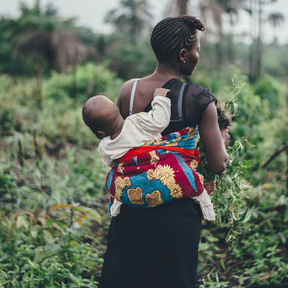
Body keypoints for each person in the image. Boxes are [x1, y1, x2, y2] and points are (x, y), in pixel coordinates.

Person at [98, 15, 229, 288]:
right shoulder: (199, 99)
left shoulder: (128, 91)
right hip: (175, 217)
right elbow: (217, 165)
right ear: (183, 54)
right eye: (197, 50)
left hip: (131, 207)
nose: (197, 56)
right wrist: (223, 143)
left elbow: (123, 142)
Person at [82, 88, 215, 220]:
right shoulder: (136, 121)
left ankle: (116, 205)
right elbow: (160, 121)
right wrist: (159, 98)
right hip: (156, 169)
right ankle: (206, 206)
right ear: (118, 111)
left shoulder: (104, 146)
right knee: (183, 173)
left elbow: (111, 163)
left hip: (132, 183)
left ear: (100, 133)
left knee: (113, 177)